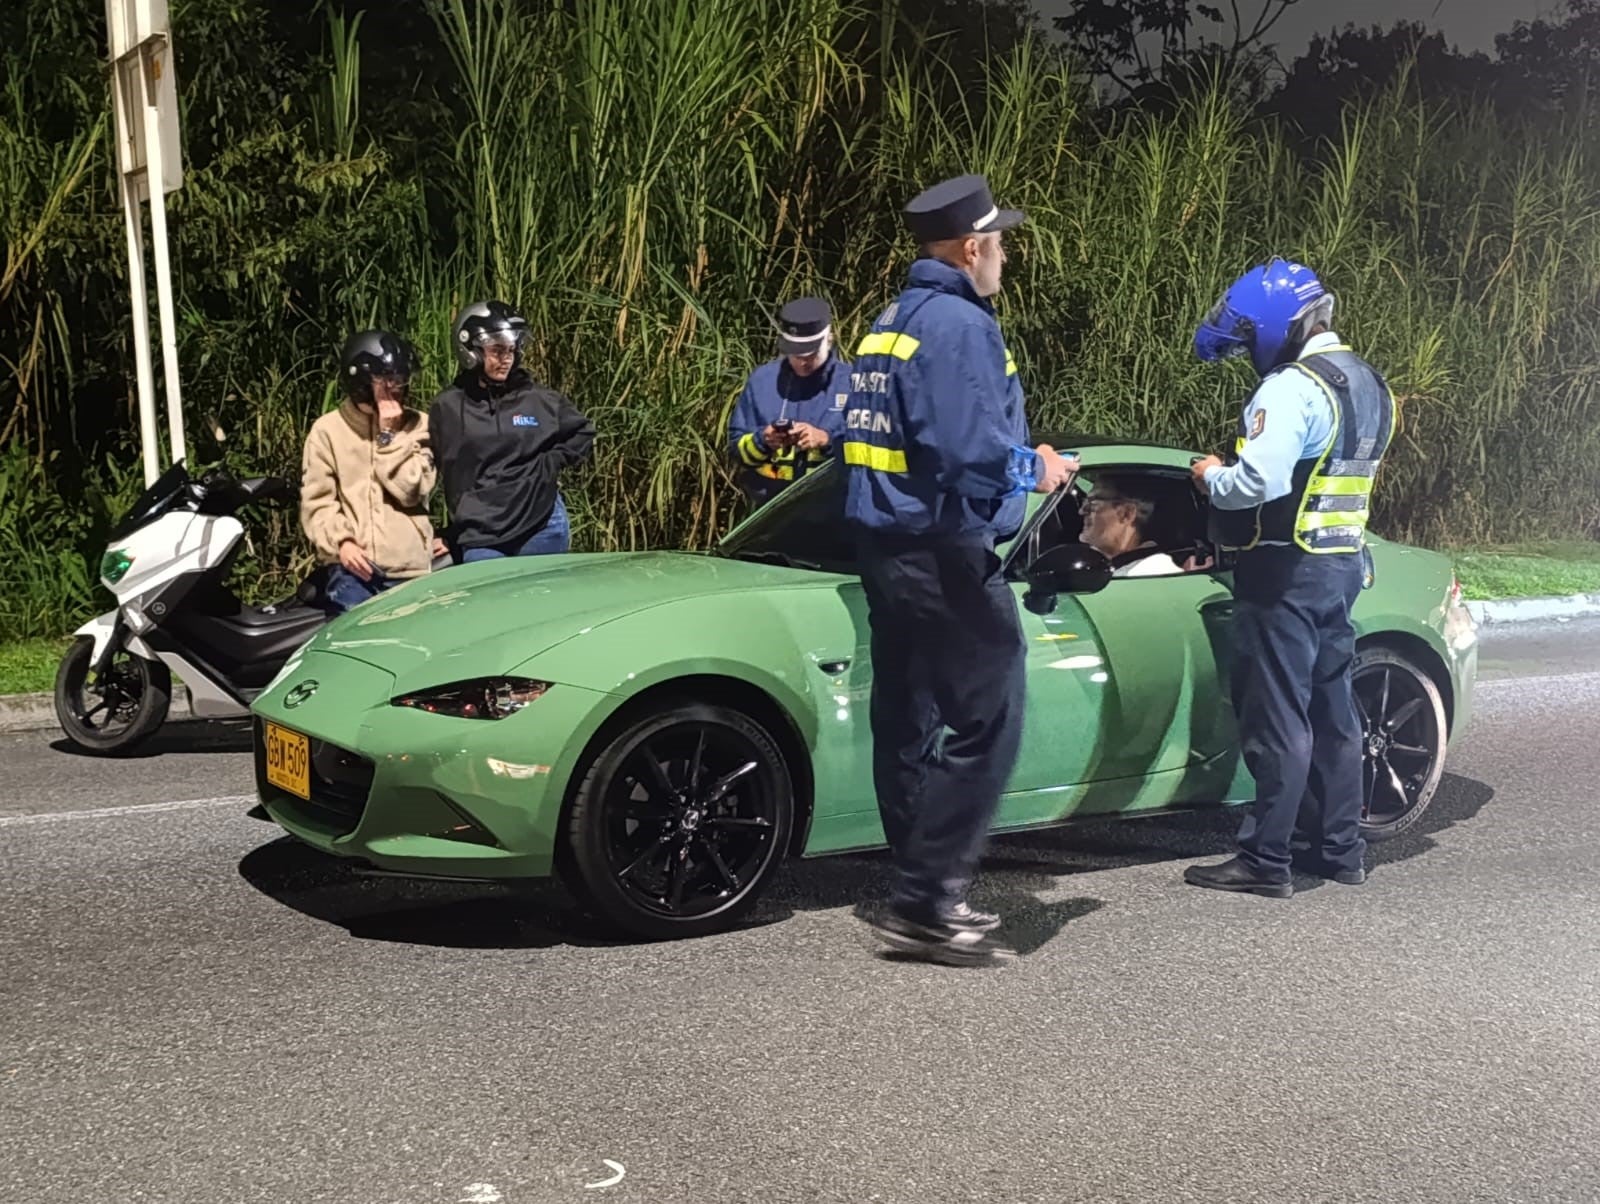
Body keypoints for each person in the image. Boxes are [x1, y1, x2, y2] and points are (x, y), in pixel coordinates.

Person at [841, 173, 1074, 966]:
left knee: (906, 720)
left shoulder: (887, 321)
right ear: (971, 247)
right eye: (999, 242)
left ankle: (917, 884)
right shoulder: (959, 325)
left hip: (883, 548)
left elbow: (871, 437)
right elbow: (962, 450)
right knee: (990, 716)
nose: (1004, 255)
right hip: (942, 548)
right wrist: (1033, 469)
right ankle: (928, 900)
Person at [1185, 258, 1396, 897]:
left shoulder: (1291, 388)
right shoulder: (1371, 384)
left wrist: (1209, 478)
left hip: (1284, 571)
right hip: (1340, 567)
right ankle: (1340, 851)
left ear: (1280, 327)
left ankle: (1265, 859)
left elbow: (1260, 481)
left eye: (1250, 337)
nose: (1251, 349)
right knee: (1334, 712)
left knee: (1277, 717)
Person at [429, 300, 595, 562]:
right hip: (482, 535)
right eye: (497, 350)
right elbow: (442, 473)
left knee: (544, 601)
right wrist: (448, 533)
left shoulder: (539, 400)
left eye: (511, 350)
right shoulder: (448, 407)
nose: (505, 359)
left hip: (542, 527)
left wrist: (551, 463)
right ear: (470, 350)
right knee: (489, 601)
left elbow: (582, 432)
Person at [299, 330, 437, 613]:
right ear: (361, 381)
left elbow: (411, 490)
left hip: (409, 568)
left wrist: (389, 435)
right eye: (386, 381)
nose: (396, 388)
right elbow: (318, 502)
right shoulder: (327, 431)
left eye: (400, 380)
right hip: (355, 571)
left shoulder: (419, 425)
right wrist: (342, 543)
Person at [727, 296, 853, 508]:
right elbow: (737, 449)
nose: (803, 361)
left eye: (811, 353)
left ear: (829, 339)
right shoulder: (762, 381)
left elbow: (869, 452)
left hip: (834, 518)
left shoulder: (851, 383)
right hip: (770, 516)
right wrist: (763, 440)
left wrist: (827, 440)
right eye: (795, 353)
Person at [1078, 475, 1182, 577]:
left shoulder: (1153, 571)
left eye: (1093, 504)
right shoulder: (1108, 567)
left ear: (1127, 513)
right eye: (1085, 501)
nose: (1081, 511)